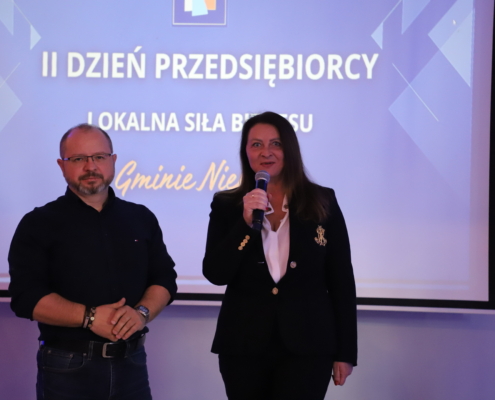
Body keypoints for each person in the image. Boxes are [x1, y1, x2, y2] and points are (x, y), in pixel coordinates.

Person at [8, 123, 177, 400]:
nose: (90, 166)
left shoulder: (141, 218)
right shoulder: (37, 223)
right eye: (78, 159)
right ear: (62, 166)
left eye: (99, 156)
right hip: (66, 367)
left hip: (132, 362)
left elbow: (165, 278)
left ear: (113, 160)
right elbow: (25, 297)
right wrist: (89, 317)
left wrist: (141, 313)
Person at [203, 112, 357, 400]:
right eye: (256, 144)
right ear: (246, 151)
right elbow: (216, 273)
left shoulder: (322, 201)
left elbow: (341, 281)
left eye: (276, 143)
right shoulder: (227, 204)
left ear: (290, 149)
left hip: (309, 346)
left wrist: (346, 352)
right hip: (243, 346)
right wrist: (245, 224)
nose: (266, 152)